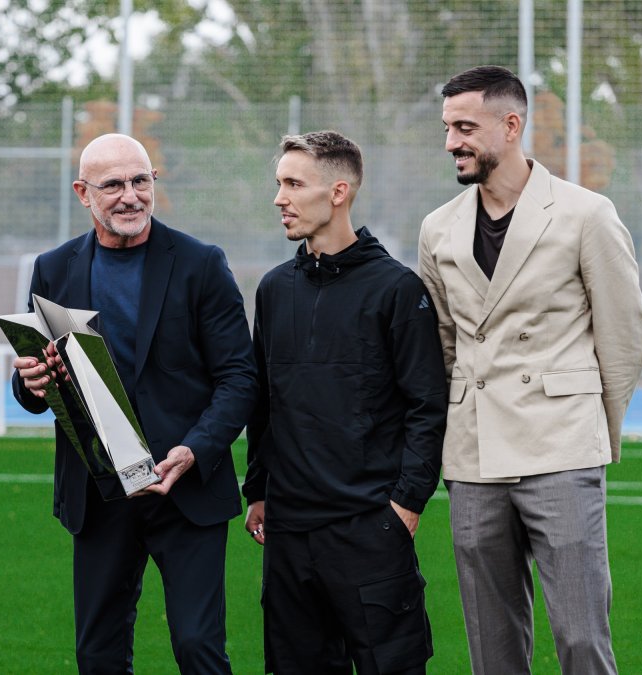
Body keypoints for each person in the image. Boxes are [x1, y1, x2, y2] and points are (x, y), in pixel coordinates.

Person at [418, 65, 642, 674]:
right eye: (447, 128)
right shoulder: (437, 228)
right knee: (491, 650)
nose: (451, 143)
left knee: (581, 640)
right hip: (474, 456)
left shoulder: (586, 214)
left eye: (465, 127)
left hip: (562, 450)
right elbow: (440, 343)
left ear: (511, 125)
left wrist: (591, 431)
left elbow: (623, 338)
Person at [11, 133, 255, 674]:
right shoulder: (54, 269)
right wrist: (27, 383)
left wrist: (193, 450)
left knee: (198, 647)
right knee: (97, 653)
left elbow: (240, 377)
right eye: (113, 184)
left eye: (140, 181)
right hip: (100, 496)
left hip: (185, 489)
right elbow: (42, 386)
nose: (130, 196)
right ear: (83, 193)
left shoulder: (200, 264)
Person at [241, 131, 445, 674]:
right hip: (287, 533)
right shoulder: (273, 288)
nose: (279, 198)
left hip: (370, 529)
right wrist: (258, 488)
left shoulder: (397, 290)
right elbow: (265, 400)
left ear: (338, 192)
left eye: (292, 184)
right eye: (277, 183)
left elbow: (428, 405)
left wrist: (406, 505)